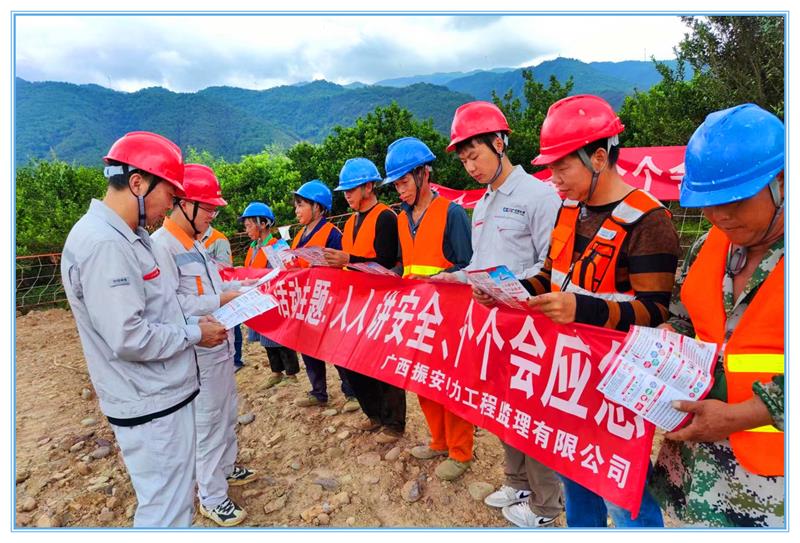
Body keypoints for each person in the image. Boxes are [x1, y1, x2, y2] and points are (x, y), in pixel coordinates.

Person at [492, 95, 682, 527]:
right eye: (550, 168)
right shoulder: (569, 210)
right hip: (569, 375)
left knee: (621, 491)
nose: (554, 179)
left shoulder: (649, 221)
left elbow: (654, 311)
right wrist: (509, 292)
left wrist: (582, 309)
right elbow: (551, 276)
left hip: (616, 384)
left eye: (562, 168)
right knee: (574, 472)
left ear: (598, 158)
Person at [60, 132, 228, 527]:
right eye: (168, 194)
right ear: (137, 183)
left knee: (173, 503)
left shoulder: (127, 237)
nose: (169, 205)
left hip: (159, 396)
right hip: (151, 403)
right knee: (166, 513)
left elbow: (157, 310)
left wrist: (192, 322)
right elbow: (129, 337)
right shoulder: (105, 245)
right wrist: (194, 334)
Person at [648, 104, 785, 528]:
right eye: (708, 203)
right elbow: (685, 317)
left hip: (773, 485)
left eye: (735, 201)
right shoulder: (709, 245)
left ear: (782, 181)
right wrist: (669, 336)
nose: (720, 215)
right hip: (695, 470)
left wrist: (744, 416)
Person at [442, 101, 563, 527]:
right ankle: (517, 481)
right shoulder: (484, 203)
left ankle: (547, 505)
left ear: (499, 142)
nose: (470, 167)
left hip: (531, 328)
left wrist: (505, 288)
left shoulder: (538, 196)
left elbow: (552, 267)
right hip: (494, 326)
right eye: (464, 160)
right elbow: (480, 264)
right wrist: (452, 278)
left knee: (534, 414)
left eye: (474, 155)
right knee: (504, 408)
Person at [151, 164, 257, 527]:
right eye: (208, 208)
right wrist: (222, 300)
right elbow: (169, 305)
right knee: (208, 422)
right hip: (197, 352)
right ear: (184, 204)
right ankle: (212, 497)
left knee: (226, 411)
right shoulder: (161, 247)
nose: (213, 215)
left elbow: (211, 288)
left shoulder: (195, 242)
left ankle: (225, 468)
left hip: (218, 345)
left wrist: (244, 290)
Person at [381, 136, 474, 481]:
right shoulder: (401, 218)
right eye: (396, 184)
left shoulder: (452, 214)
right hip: (417, 317)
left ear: (424, 174)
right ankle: (439, 441)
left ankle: (461, 452)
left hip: (450, 316)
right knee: (424, 382)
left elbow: (469, 267)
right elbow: (408, 264)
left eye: (404, 181)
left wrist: (439, 278)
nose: (400, 190)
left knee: (451, 385)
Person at [322, 157, 406, 444]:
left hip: (381, 302)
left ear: (369, 187)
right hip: (355, 303)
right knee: (355, 363)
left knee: (384, 365)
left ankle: (393, 423)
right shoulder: (350, 221)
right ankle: (374, 414)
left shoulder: (386, 217)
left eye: (351, 189)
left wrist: (349, 260)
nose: (346, 196)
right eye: (344, 191)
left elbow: (386, 262)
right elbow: (349, 261)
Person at [290, 180, 360, 413]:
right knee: (307, 346)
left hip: (329, 301)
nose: (297, 210)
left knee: (335, 347)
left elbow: (343, 267)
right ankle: (318, 392)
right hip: (307, 301)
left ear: (318, 207)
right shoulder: (299, 235)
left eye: (301, 205)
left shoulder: (332, 234)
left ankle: (351, 392)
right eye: (296, 205)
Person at [239, 201, 301, 389]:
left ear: (263, 223)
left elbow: (289, 271)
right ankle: (276, 372)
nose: (246, 230)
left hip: (276, 298)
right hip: (259, 299)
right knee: (266, 337)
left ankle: (291, 373)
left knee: (281, 337)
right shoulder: (253, 247)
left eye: (249, 225)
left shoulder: (278, 246)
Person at [200, 223, 245, 372]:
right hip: (207, 295)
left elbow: (226, 268)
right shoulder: (192, 240)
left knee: (232, 324)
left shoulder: (218, 239)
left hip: (222, 289)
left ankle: (236, 359)